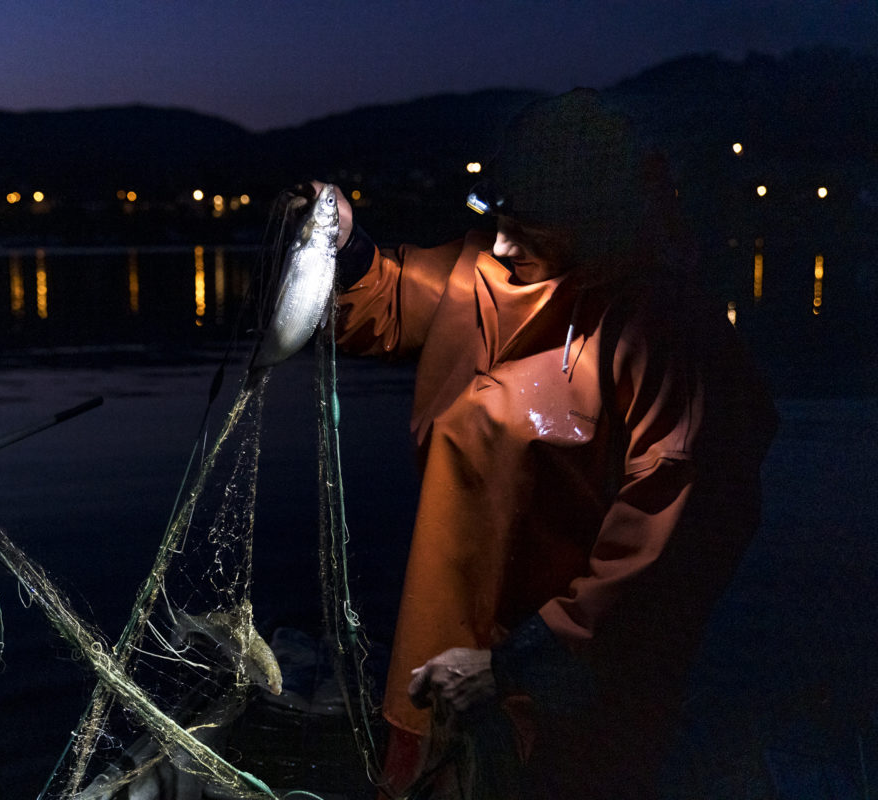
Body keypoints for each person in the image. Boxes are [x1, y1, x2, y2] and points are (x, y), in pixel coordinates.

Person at [316, 89, 777, 799]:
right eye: (495, 214)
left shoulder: (667, 334)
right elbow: (390, 298)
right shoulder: (485, 269)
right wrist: (346, 247)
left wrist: (519, 660)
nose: (500, 242)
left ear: (598, 224)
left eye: (527, 228)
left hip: (567, 706)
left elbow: (675, 539)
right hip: (435, 666)